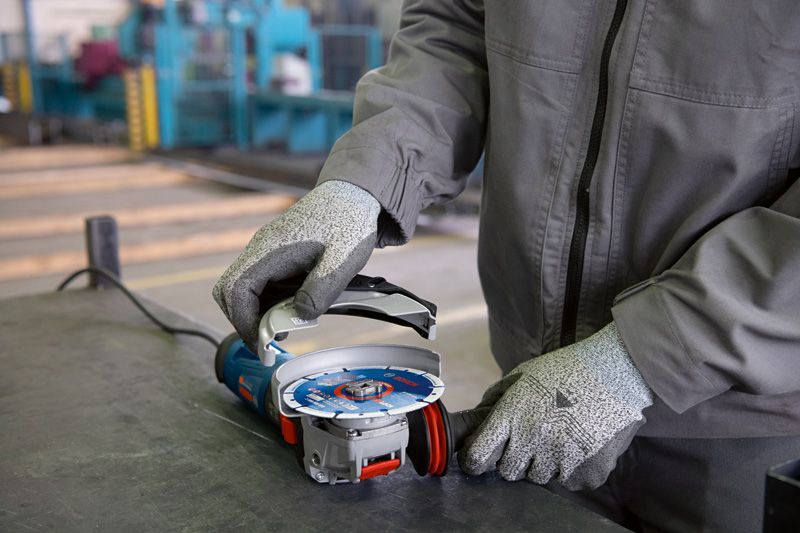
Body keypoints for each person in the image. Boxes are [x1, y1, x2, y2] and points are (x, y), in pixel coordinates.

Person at [213, 2, 800, 531]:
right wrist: (364, 182)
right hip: (531, 392)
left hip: (739, 429)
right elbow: (455, 26)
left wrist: (646, 356)